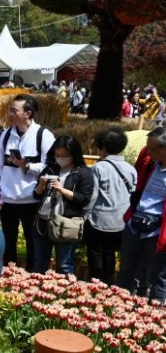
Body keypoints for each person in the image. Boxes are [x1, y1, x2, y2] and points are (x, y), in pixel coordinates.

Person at [0, 93, 56, 268]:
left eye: (14, 111)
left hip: (31, 199)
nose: (10, 114)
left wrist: (26, 165)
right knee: (8, 241)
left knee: (33, 242)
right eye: (10, 110)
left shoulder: (43, 135)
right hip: (8, 200)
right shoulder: (6, 135)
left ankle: (30, 277)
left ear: (28, 113)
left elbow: (48, 166)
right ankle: (9, 276)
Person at [30, 135, 93, 275]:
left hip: (66, 224)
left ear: (73, 154)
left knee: (64, 266)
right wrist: (41, 185)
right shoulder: (50, 169)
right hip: (43, 223)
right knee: (39, 263)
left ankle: (64, 294)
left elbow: (84, 198)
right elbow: (36, 195)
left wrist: (62, 189)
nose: (60, 158)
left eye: (65, 155)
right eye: (57, 155)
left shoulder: (83, 173)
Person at [116, 130, 166, 301]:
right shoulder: (150, 162)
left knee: (157, 277)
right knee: (126, 271)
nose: (147, 152)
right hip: (135, 223)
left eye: (151, 149)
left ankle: (153, 321)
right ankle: (119, 310)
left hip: (158, 231)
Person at [85, 127, 137, 284]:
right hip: (121, 221)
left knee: (95, 254)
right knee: (110, 254)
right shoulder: (131, 168)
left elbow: (92, 196)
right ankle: (108, 285)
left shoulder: (99, 168)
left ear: (103, 147)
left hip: (99, 220)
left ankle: (95, 286)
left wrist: (84, 216)